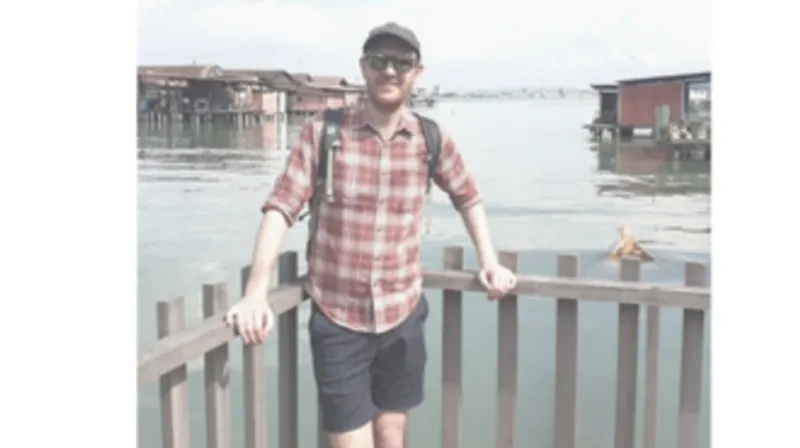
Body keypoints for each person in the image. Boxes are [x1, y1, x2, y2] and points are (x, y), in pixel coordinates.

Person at [225, 22, 518, 448]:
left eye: (402, 62)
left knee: (391, 433)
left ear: (417, 72)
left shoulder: (429, 138)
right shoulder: (324, 133)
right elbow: (280, 208)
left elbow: (468, 196)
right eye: (379, 61)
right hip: (338, 316)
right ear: (363, 67)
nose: (390, 71)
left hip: (402, 312)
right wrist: (256, 291)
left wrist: (488, 260)